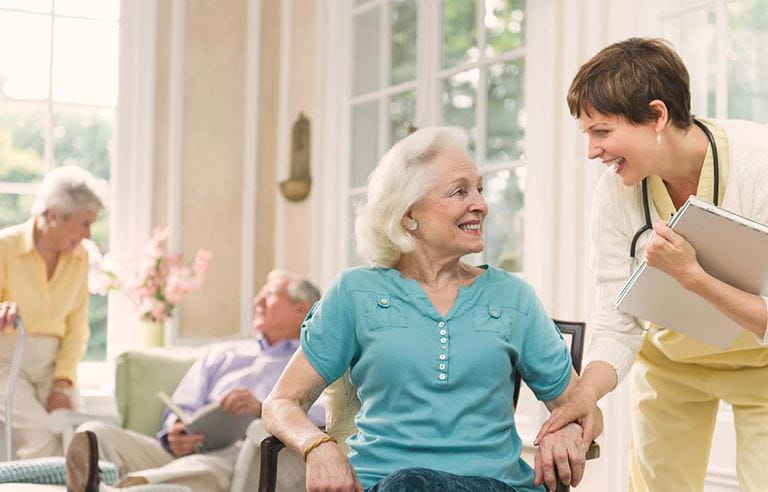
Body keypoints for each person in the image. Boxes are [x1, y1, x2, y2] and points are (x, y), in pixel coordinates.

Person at [262, 127, 603, 492]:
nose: (481, 205)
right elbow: (281, 402)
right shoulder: (354, 294)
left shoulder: (513, 298)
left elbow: (586, 410)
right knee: (408, 483)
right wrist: (317, 445)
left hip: (492, 485)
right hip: (384, 484)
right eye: (460, 191)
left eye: (479, 190)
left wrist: (568, 428)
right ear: (409, 214)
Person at [535, 38, 768, 491]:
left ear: (657, 116)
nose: (592, 151)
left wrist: (692, 277)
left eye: (602, 132)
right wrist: (584, 395)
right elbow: (617, 321)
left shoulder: (759, 163)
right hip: (672, 366)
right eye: (587, 135)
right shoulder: (615, 195)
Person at [63, 270, 325, 492]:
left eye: (269, 294)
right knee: (95, 433)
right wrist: (174, 430)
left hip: (244, 457)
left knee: (211, 467)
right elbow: (181, 404)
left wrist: (264, 409)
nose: (257, 300)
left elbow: (326, 416)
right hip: (184, 451)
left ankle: (131, 484)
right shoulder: (222, 353)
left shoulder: (312, 361)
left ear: (299, 309)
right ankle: (139, 483)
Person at [0, 165, 106, 459]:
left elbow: (76, 327)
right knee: (43, 438)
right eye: (84, 223)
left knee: (77, 439)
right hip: (6, 364)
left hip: (53, 364)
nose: (88, 234)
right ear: (52, 216)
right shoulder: (4, 247)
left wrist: (62, 383)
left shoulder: (79, 257)